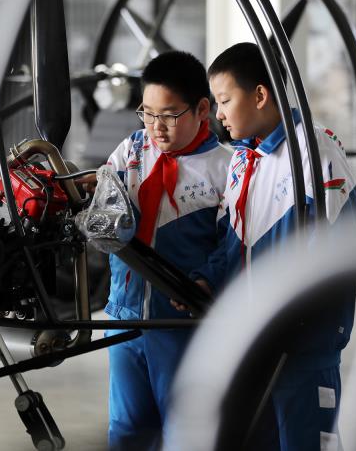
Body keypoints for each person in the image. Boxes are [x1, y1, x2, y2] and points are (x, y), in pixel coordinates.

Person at [195, 42, 356, 450]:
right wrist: (206, 280)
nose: (218, 114)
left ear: (260, 95)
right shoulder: (242, 159)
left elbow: (337, 252)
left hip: (304, 347)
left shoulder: (316, 154)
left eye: (224, 101)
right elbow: (230, 241)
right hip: (254, 341)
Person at [82, 51, 232, 450]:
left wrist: (205, 282)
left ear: (202, 109)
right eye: (147, 114)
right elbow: (104, 210)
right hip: (125, 317)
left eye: (169, 115)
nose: (156, 128)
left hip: (181, 323)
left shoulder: (224, 168)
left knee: (183, 431)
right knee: (127, 428)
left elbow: (231, 246)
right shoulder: (131, 150)